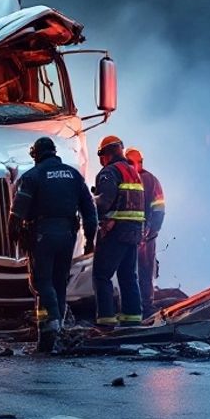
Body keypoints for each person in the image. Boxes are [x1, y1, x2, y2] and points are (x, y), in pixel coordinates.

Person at [9, 136, 97, 353]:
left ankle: (55, 323)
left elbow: (17, 212)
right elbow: (90, 212)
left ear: (36, 154)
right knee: (59, 282)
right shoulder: (74, 176)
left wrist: (13, 235)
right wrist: (89, 241)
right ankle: (46, 335)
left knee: (41, 282)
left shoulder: (33, 176)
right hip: (68, 236)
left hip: (42, 235)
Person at [91, 135, 145, 330]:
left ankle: (105, 320)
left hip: (114, 232)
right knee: (128, 274)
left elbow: (104, 201)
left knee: (101, 275)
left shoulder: (109, 172)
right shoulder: (133, 171)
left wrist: (90, 203)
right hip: (134, 232)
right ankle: (132, 317)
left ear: (104, 154)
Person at [126, 147, 166, 319]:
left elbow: (159, 208)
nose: (137, 165)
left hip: (145, 236)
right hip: (128, 234)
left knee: (145, 270)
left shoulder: (150, 180)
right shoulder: (125, 177)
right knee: (129, 271)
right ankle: (131, 307)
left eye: (139, 161)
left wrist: (152, 232)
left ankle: (146, 307)